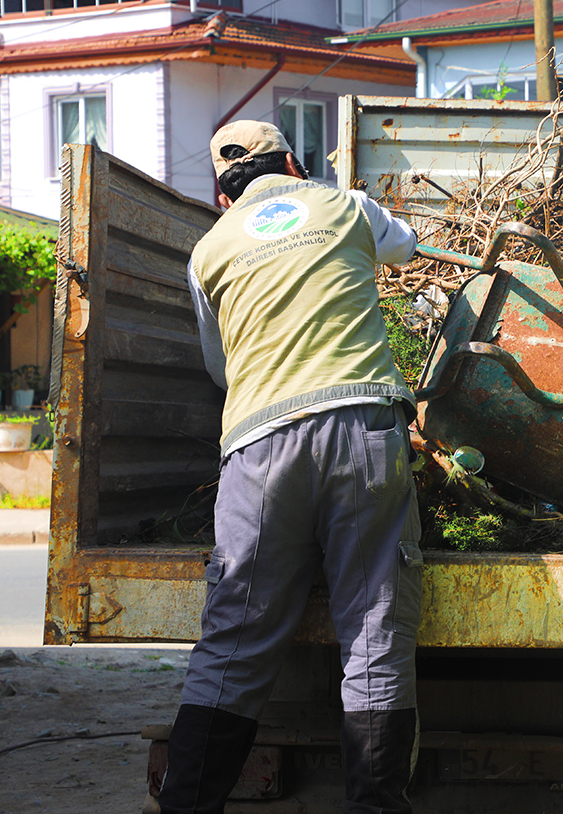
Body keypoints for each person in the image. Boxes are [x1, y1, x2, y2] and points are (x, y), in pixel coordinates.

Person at [159, 120, 423, 814]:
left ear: (221, 197)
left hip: (259, 447)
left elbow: (219, 367)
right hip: (364, 431)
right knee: (373, 634)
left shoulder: (208, 251)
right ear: (296, 166)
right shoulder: (345, 205)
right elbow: (407, 247)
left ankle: (187, 806)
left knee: (234, 644)